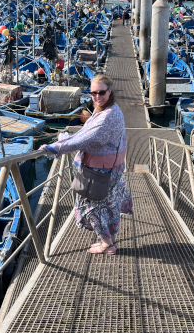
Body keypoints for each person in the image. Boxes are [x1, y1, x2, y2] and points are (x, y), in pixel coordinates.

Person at [40, 75, 132, 254]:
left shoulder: (107, 116)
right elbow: (86, 135)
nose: (97, 96)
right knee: (108, 205)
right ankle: (111, 243)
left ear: (109, 91)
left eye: (101, 92)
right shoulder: (110, 109)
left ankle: (106, 243)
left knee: (89, 208)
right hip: (111, 169)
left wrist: (56, 147)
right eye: (93, 93)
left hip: (99, 171)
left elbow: (85, 139)